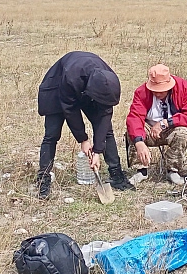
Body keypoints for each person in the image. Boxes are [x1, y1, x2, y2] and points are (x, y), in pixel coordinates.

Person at [36, 51, 134, 199]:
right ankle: (43, 179)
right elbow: (70, 109)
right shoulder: (71, 77)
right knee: (52, 134)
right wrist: (83, 139)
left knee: (107, 131)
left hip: (88, 88)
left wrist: (97, 150)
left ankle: (116, 175)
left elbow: (104, 116)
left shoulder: (108, 81)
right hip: (58, 86)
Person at [126, 64, 187, 185]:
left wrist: (166, 123)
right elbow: (135, 117)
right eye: (155, 90)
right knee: (132, 131)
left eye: (161, 90)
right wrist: (139, 142)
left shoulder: (184, 87)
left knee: (182, 133)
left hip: (172, 128)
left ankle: (172, 170)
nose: (157, 93)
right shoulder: (141, 92)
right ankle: (141, 170)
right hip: (149, 129)